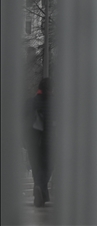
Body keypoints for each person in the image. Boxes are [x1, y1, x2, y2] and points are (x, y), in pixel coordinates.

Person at [25, 78, 52, 207]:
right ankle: (40, 189)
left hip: (32, 142)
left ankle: (40, 197)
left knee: (36, 169)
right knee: (47, 168)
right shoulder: (54, 103)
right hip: (49, 143)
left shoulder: (30, 103)